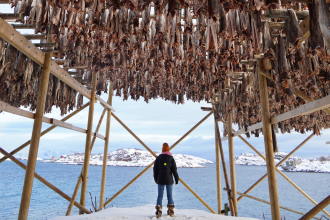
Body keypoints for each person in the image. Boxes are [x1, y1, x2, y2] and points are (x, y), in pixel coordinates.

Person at [153, 143, 179, 218]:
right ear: (168, 149)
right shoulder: (171, 158)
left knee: (160, 196)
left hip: (160, 180)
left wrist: (155, 179)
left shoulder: (158, 158)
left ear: (162, 149)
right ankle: (170, 210)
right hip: (169, 180)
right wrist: (176, 179)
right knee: (169, 195)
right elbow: (174, 170)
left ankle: (158, 211)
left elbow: (155, 170)